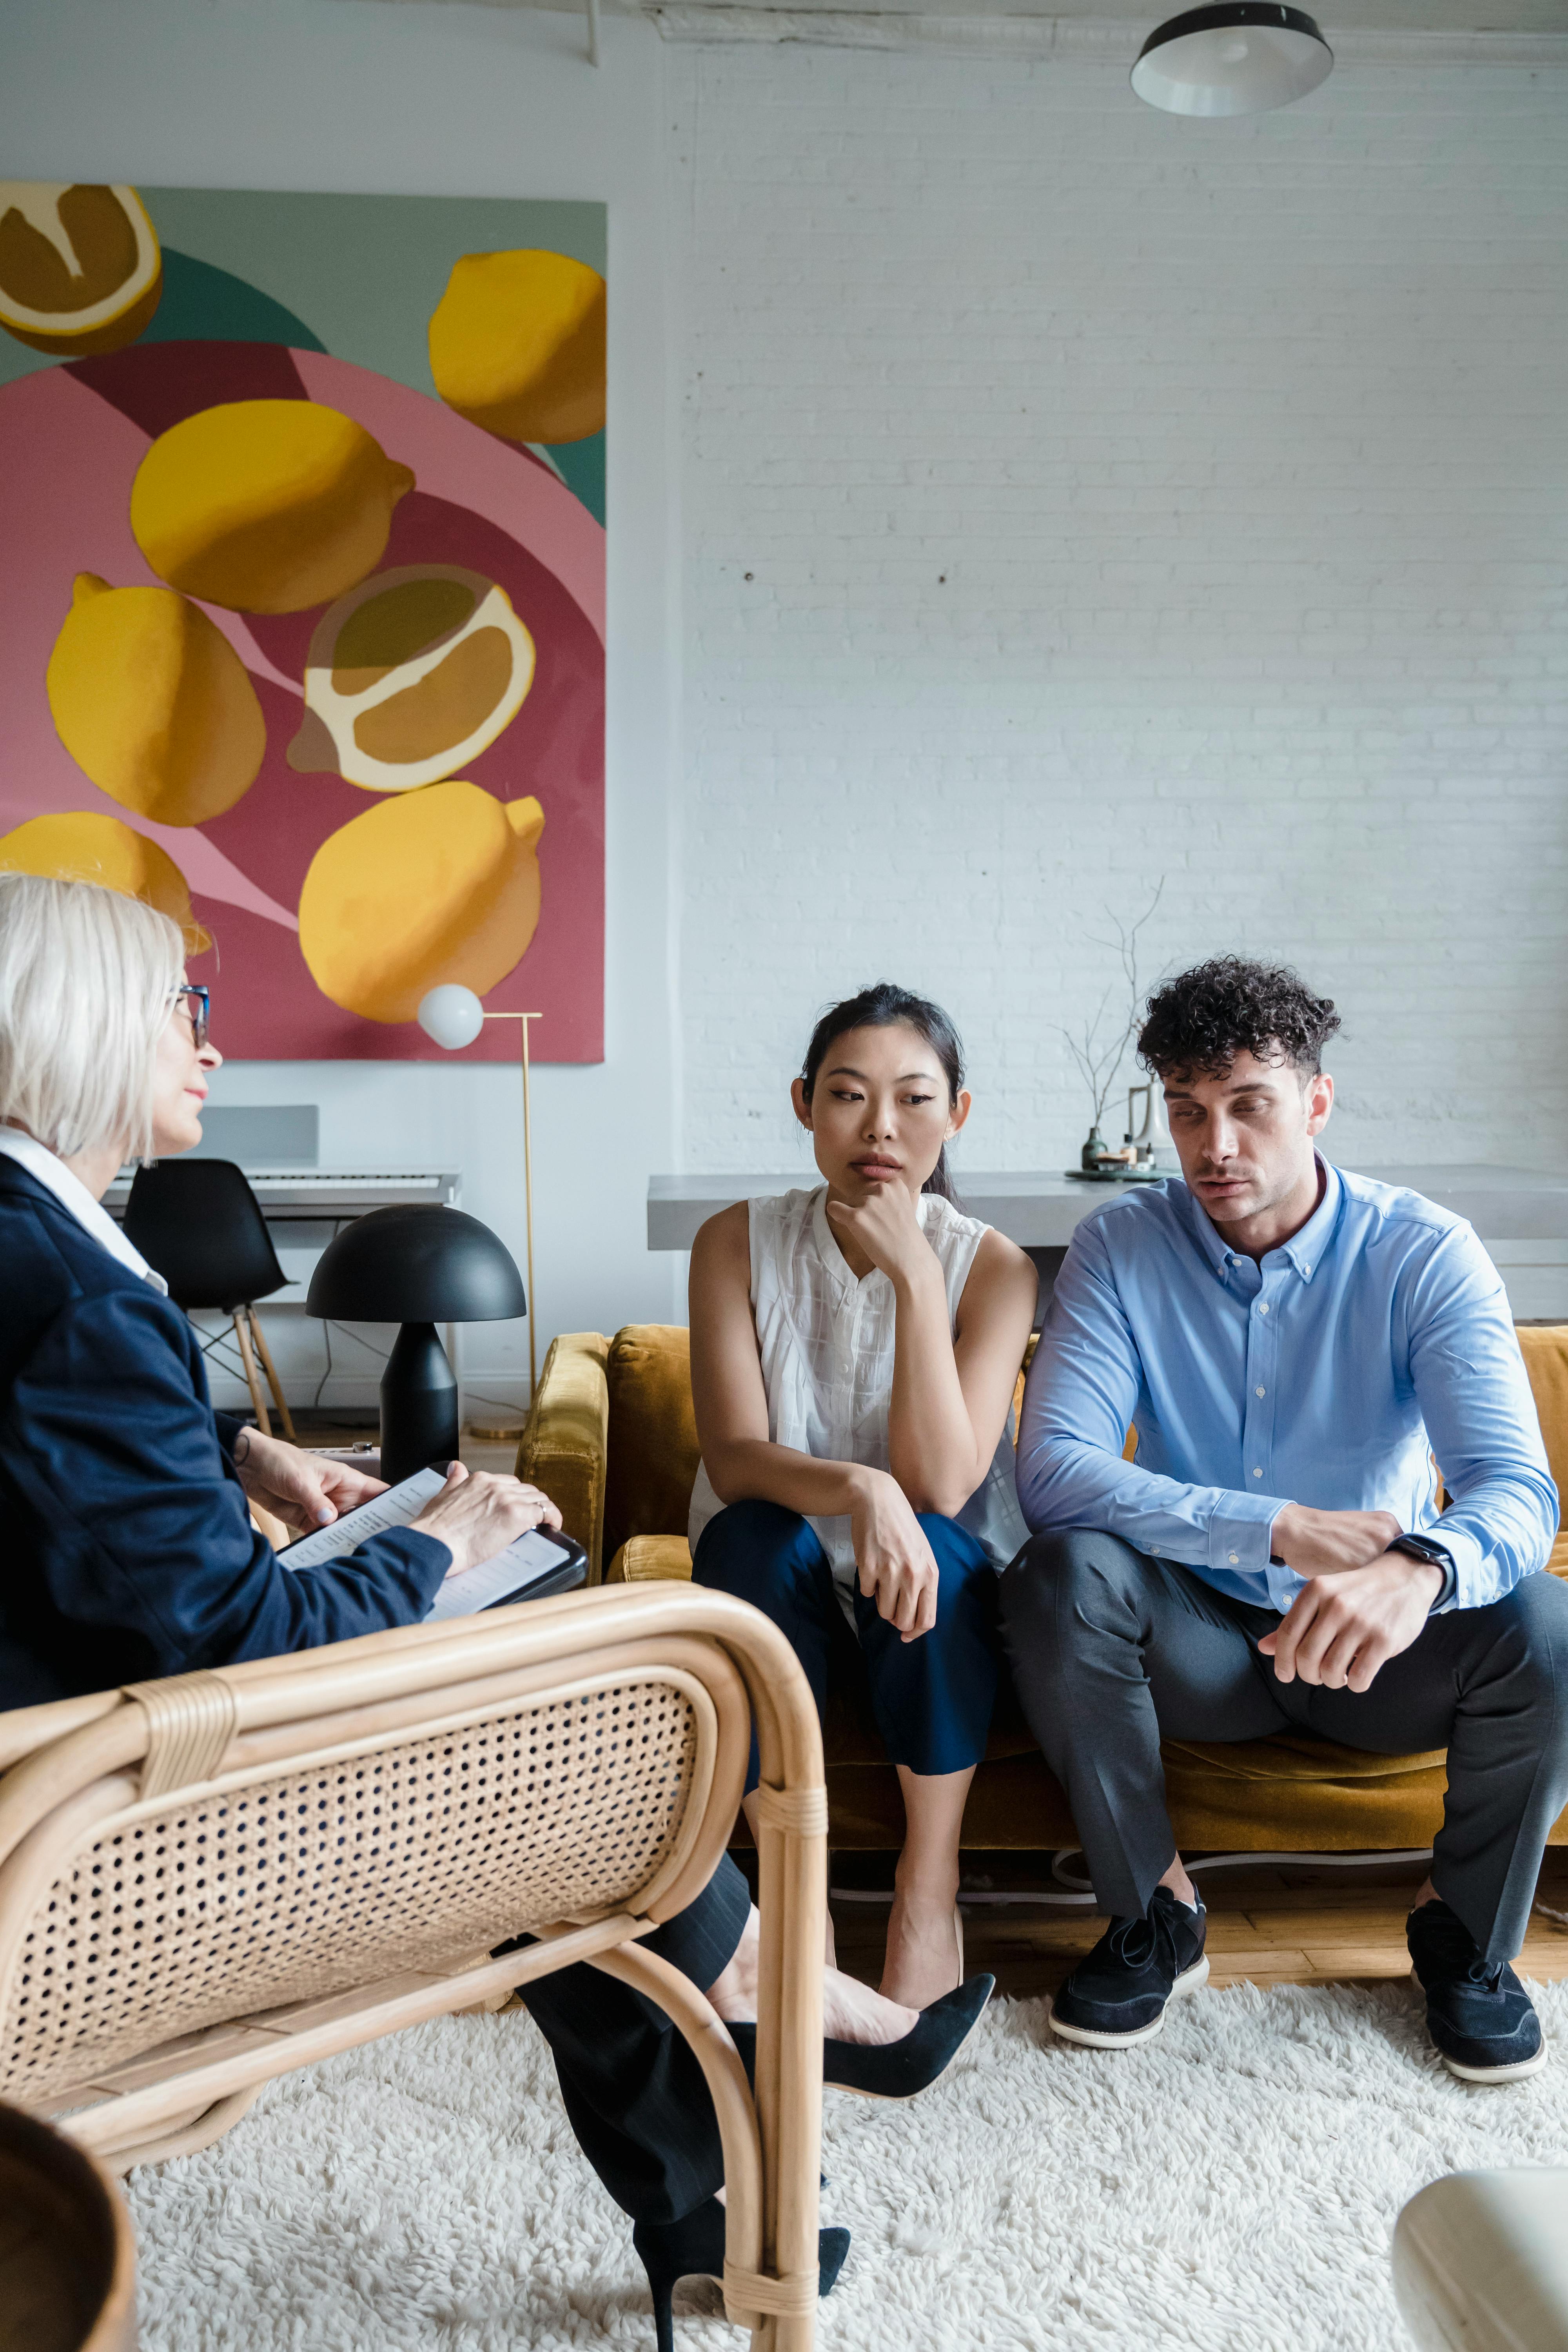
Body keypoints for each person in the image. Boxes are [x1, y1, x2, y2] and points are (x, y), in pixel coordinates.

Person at [0, 874, 966, 2342]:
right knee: (573, 1744)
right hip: (103, 1839)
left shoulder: (31, 1245)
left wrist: (236, 1445)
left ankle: (718, 2144)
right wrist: (431, 1548)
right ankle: (770, 1999)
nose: (207, 1042)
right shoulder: (78, 1290)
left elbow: (51, 1451)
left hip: (72, 1737)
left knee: (546, 1757)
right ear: (72, 1031)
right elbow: (246, 1646)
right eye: (176, 1011)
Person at [1002, 954, 1568, 2084]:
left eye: (1249, 1107)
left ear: (1314, 1102)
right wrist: (1274, 1527)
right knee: (1059, 1574)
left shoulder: (1424, 1251)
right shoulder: (1123, 1248)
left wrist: (1418, 1568)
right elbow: (1054, 1473)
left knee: (1551, 1629)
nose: (1215, 1147)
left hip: (1379, 1655)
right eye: (1188, 1113)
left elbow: (1518, 1491)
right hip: (1199, 1643)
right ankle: (1153, 1914)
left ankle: (1463, 1936)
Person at [688, 982, 1037, 2012]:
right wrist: (855, 1486)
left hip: (924, 1590)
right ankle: (797, 1896)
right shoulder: (732, 1242)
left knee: (941, 1539)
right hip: (780, 1571)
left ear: (956, 1116)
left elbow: (941, 1481)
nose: (880, 1127)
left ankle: (928, 1887)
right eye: (847, 1095)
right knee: (753, 1536)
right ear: (804, 1104)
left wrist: (920, 1282)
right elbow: (734, 1450)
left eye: (915, 1100)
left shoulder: (997, 1270)